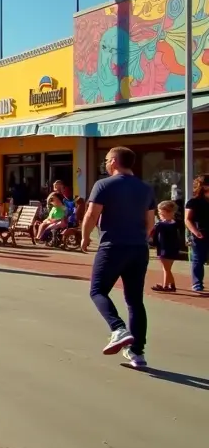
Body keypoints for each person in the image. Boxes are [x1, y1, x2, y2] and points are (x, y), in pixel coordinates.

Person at [80, 146, 155, 368]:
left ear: (113, 161)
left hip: (112, 247)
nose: (105, 164)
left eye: (106, 160)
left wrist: (85, 237)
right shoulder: (145, 188)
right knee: (135, 300)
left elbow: (92, 214)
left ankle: (118, 328)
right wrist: (140, 238)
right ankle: (137, 353)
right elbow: (150, 222)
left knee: (97, 290)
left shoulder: (104, 184)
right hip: (138, 248)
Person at [184, 175, 209, 292]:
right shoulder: (193, 202)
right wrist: (196, 232)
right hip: (200, 234)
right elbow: (187, 219)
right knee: (198, 259)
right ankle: (197, 283)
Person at [151, 200, 181, 293]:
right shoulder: (175, 224)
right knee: (167, 268)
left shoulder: (161, 224)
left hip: (164, 248)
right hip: (172, 248)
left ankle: (167, 286)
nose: (159, 214)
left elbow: (155, 236)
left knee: (166, 268)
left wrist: (154, 243)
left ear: (168, 212)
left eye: (161, 212)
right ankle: (170, 285)